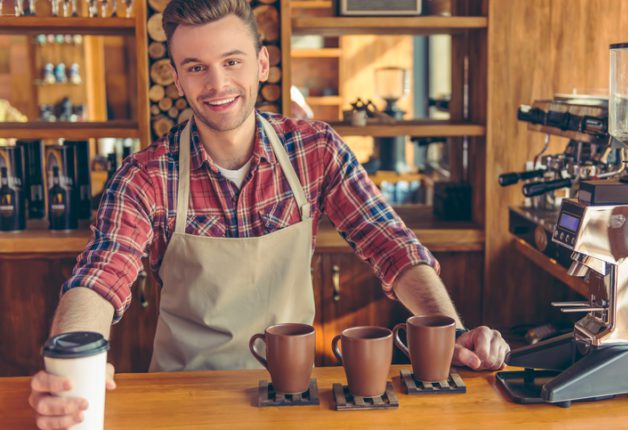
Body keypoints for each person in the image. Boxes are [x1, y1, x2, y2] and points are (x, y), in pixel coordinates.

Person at [28, 0, 510, 427]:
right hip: (185, 399)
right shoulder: (144, 176)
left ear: (262, 63)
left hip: (295, 396)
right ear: (175, 78)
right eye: (195, 67)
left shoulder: (315, 150)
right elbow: (99, 276)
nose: (217, 84)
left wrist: (454, 332)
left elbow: (390, 245)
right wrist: (68, 362)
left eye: (231, 61)